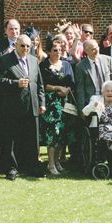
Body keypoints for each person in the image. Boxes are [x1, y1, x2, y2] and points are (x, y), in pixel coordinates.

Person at [0, 34, 46, 180]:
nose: (26, 48)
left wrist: (42, 103)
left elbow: (39, 84)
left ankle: (32, 166)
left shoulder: (34, 60)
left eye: (28, 46)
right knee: (11, 139)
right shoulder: (4, 60)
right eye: (22, 45)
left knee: (32, 138)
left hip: (32, 106)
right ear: (16, 45)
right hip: (12, 106)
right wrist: (15, 83)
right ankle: (12, 168)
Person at [40, 38, 75, 175]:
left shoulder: (66, 65)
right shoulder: (43, 65)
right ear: (49, 51)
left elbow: (72, 82)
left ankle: (57, 161)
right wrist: (57, 87)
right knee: (52, 134)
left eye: (60, 50)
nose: (58, 52)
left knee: (62, 133)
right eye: (55, 50)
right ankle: (50, 164)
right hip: (51, 104)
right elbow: (42, 84)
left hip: (64, 103)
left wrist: (66, 89)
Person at [74, 39, 112, 116]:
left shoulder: (108, 60)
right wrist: (82, 111)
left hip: (109, 99)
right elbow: (80, 90)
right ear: (86, 51)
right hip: (92, 103)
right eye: (93, 49)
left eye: (97, 47)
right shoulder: (80, 67)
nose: (96, 50)